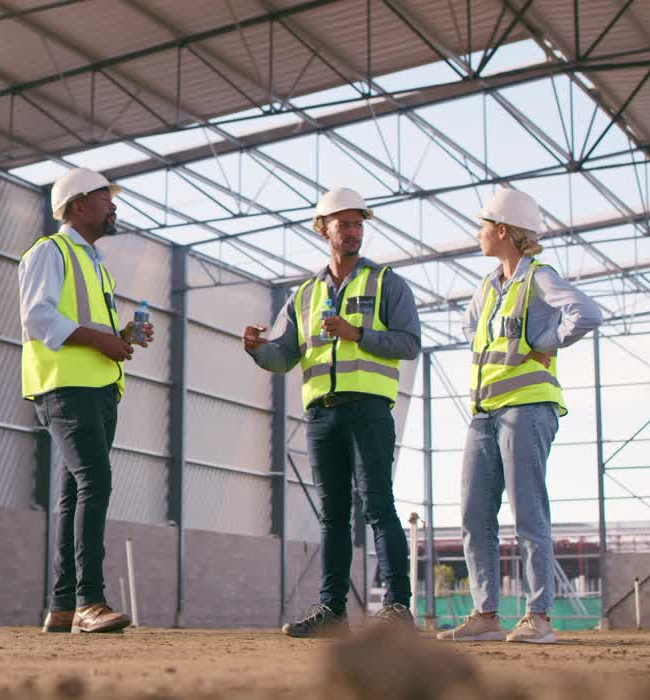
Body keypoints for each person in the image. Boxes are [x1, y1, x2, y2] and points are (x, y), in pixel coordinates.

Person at [243, 188, 421, 638]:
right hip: (322, 414)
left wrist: (356, 333)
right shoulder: (303, 294)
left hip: (369, 410)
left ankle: (398, 606)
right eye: (344, 224)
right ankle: (332, 611)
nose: (353, 231)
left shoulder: (386, 284)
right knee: (333, 515)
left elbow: (408, 342)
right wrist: (256, 350)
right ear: (323, 229)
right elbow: (284, 356)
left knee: (379, 506)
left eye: (359, 224)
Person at [437, 188, 602, 644]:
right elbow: (471, 328)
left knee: (528, 513)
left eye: (483, 225)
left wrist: (544, 341)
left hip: (528, 407)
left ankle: (539, 617)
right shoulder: (489, 285)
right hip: (485, 411)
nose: (479, 233)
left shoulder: (539, 278)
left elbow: (586, 312)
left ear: (503, 230)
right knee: (474, 514)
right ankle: (486, 613)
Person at [21, 168, 152, 634]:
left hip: (97, 387)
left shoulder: (94, 263)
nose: (113, 206)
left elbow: (84, 326)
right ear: (78, 205)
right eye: (105, 198)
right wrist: (102, 342)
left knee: (74, 492)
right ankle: (89, 601)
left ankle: (61, 605)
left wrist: (120, 337)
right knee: (95, 481)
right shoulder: (49, 252)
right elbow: (38, 319)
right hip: (66, 386)